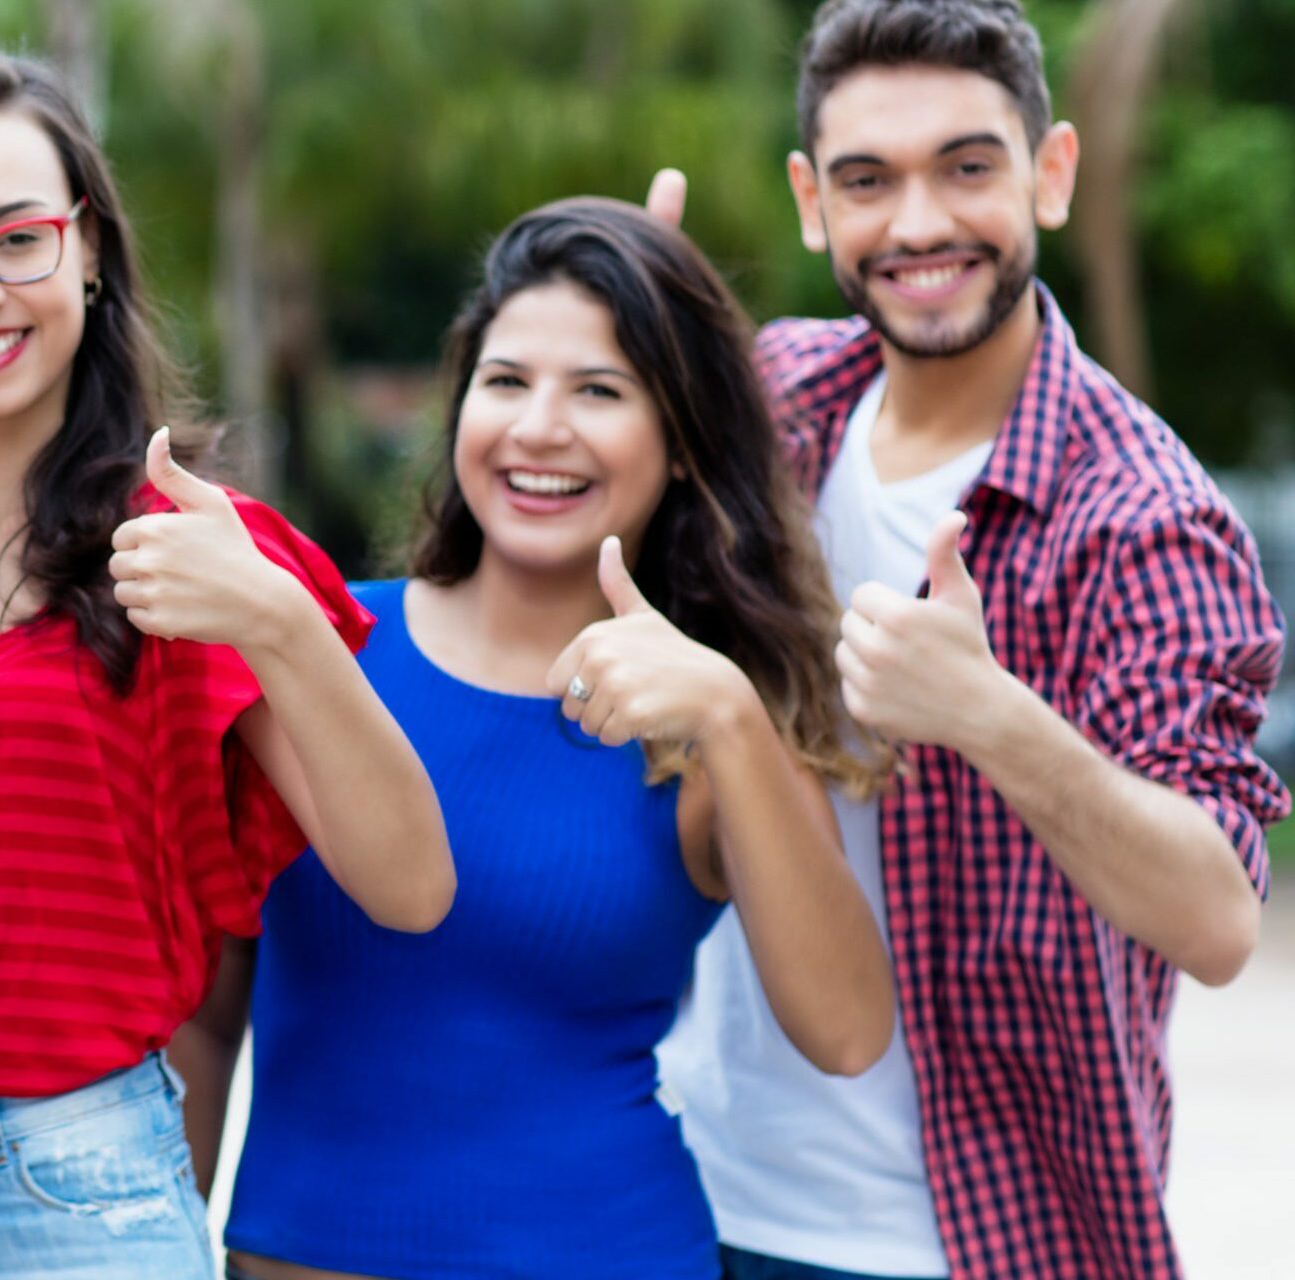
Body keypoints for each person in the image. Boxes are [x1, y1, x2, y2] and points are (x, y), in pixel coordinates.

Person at [0, 51, 453, 1279]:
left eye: (15, 239)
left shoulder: (194, 549)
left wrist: (279, 623)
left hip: (66, 1192)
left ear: (88, 247)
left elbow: (409, 881)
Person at [653, 3, 1292, 1277]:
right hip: (681, 1188)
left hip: (957, 1238)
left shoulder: (1142, 515)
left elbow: (1217, 917)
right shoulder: (776, 400)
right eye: (866, 180)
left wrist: (991, 714)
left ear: (1048, 173)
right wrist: (627, 330)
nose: (919, 224)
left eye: (966, 166)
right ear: (810, 201)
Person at [180, 198, 895, 1280]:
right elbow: (204, 1020)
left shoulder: (705, 714)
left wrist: (734, 720)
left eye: (599, 390)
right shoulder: (316, 645)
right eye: (506, 380)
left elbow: (845, 1030)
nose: (538, 427)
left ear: (684, 445)